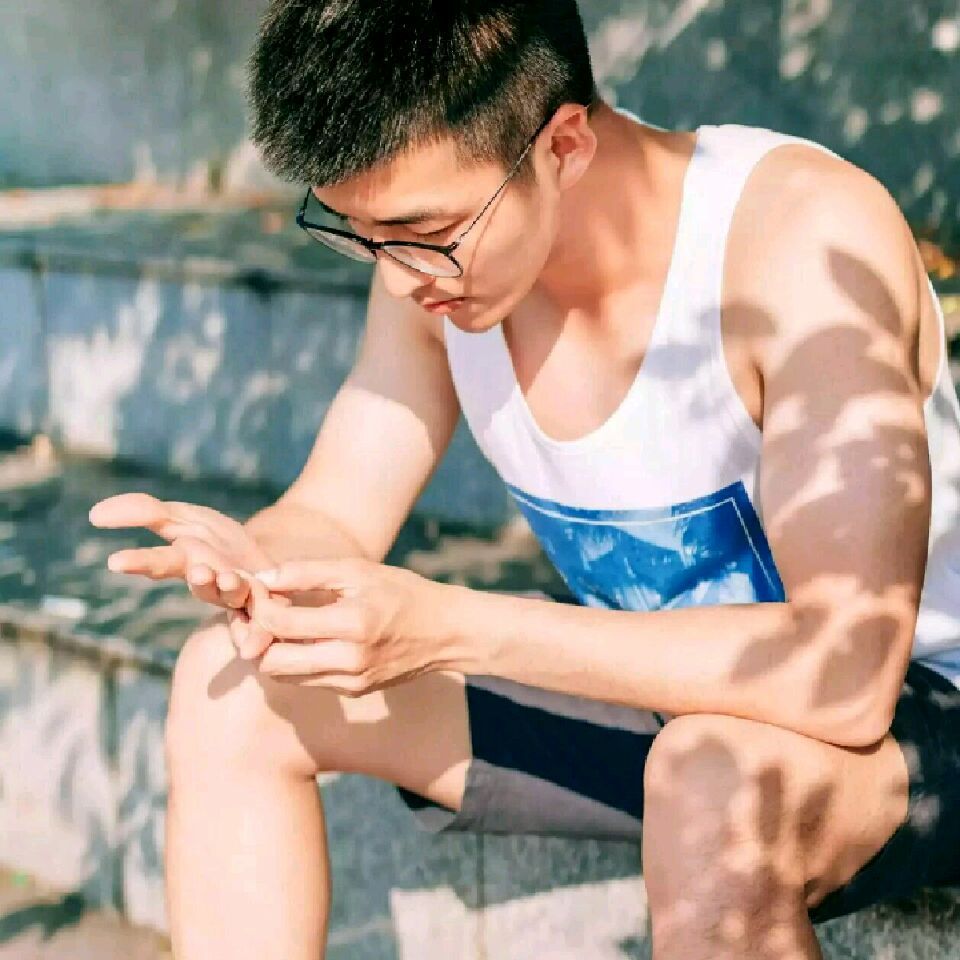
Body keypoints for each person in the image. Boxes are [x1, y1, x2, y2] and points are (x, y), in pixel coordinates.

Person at [88, 1, 960, 958]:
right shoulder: (432, 271)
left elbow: (846, 676)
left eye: (424, 230)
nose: (400, 276)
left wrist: (454, 623)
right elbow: (334, 510)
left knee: (712, 777)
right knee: (229, 684)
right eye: (360, 233)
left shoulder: (795, 241)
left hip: (909, 712)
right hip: (663, 701)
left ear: (565, 145)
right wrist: (258, 566)